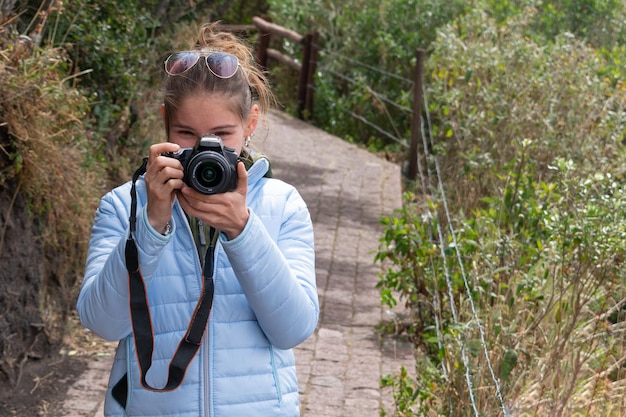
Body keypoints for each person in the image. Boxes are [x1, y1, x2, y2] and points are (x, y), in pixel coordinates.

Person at [77, 22, 319, 417]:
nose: (206, 148)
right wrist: (150, 225)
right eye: (187, 133)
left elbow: (292, 330)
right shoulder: (124, 206)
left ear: (250, 124)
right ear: (165, 125)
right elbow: (103, 324)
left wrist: (243, 231)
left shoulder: (282, 205)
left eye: (222, 134)